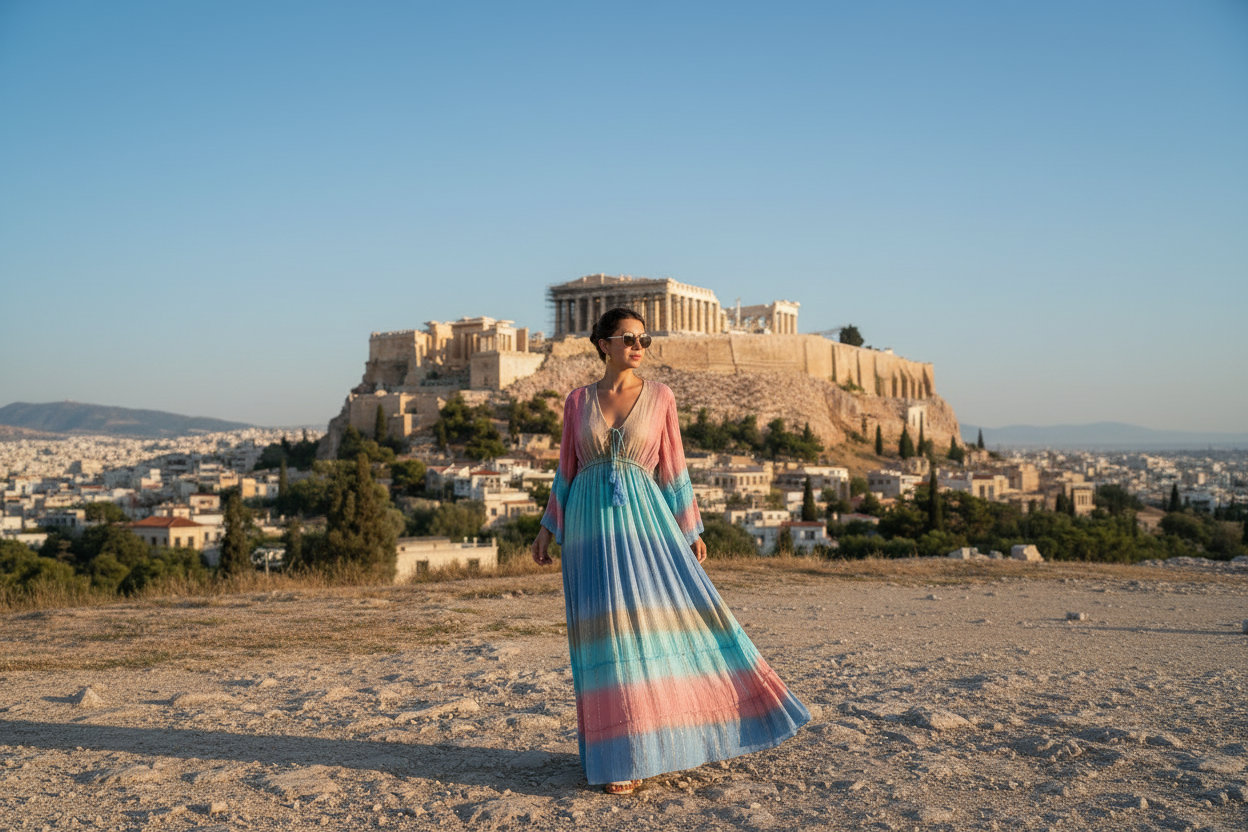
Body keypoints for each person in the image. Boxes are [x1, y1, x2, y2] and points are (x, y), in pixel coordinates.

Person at [531, 307, 810, 795]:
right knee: (603, 639)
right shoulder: (577, 402)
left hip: (646, 524)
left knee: (655, 628)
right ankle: (615, 754)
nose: (639, 347)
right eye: (628, 338)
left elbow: (673, 468)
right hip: (587, 530)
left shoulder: (661, 397)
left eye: (645, 339)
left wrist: (691, 528)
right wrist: (547, 528)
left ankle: (663, 739)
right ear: (603, 343)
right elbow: (566, 471)